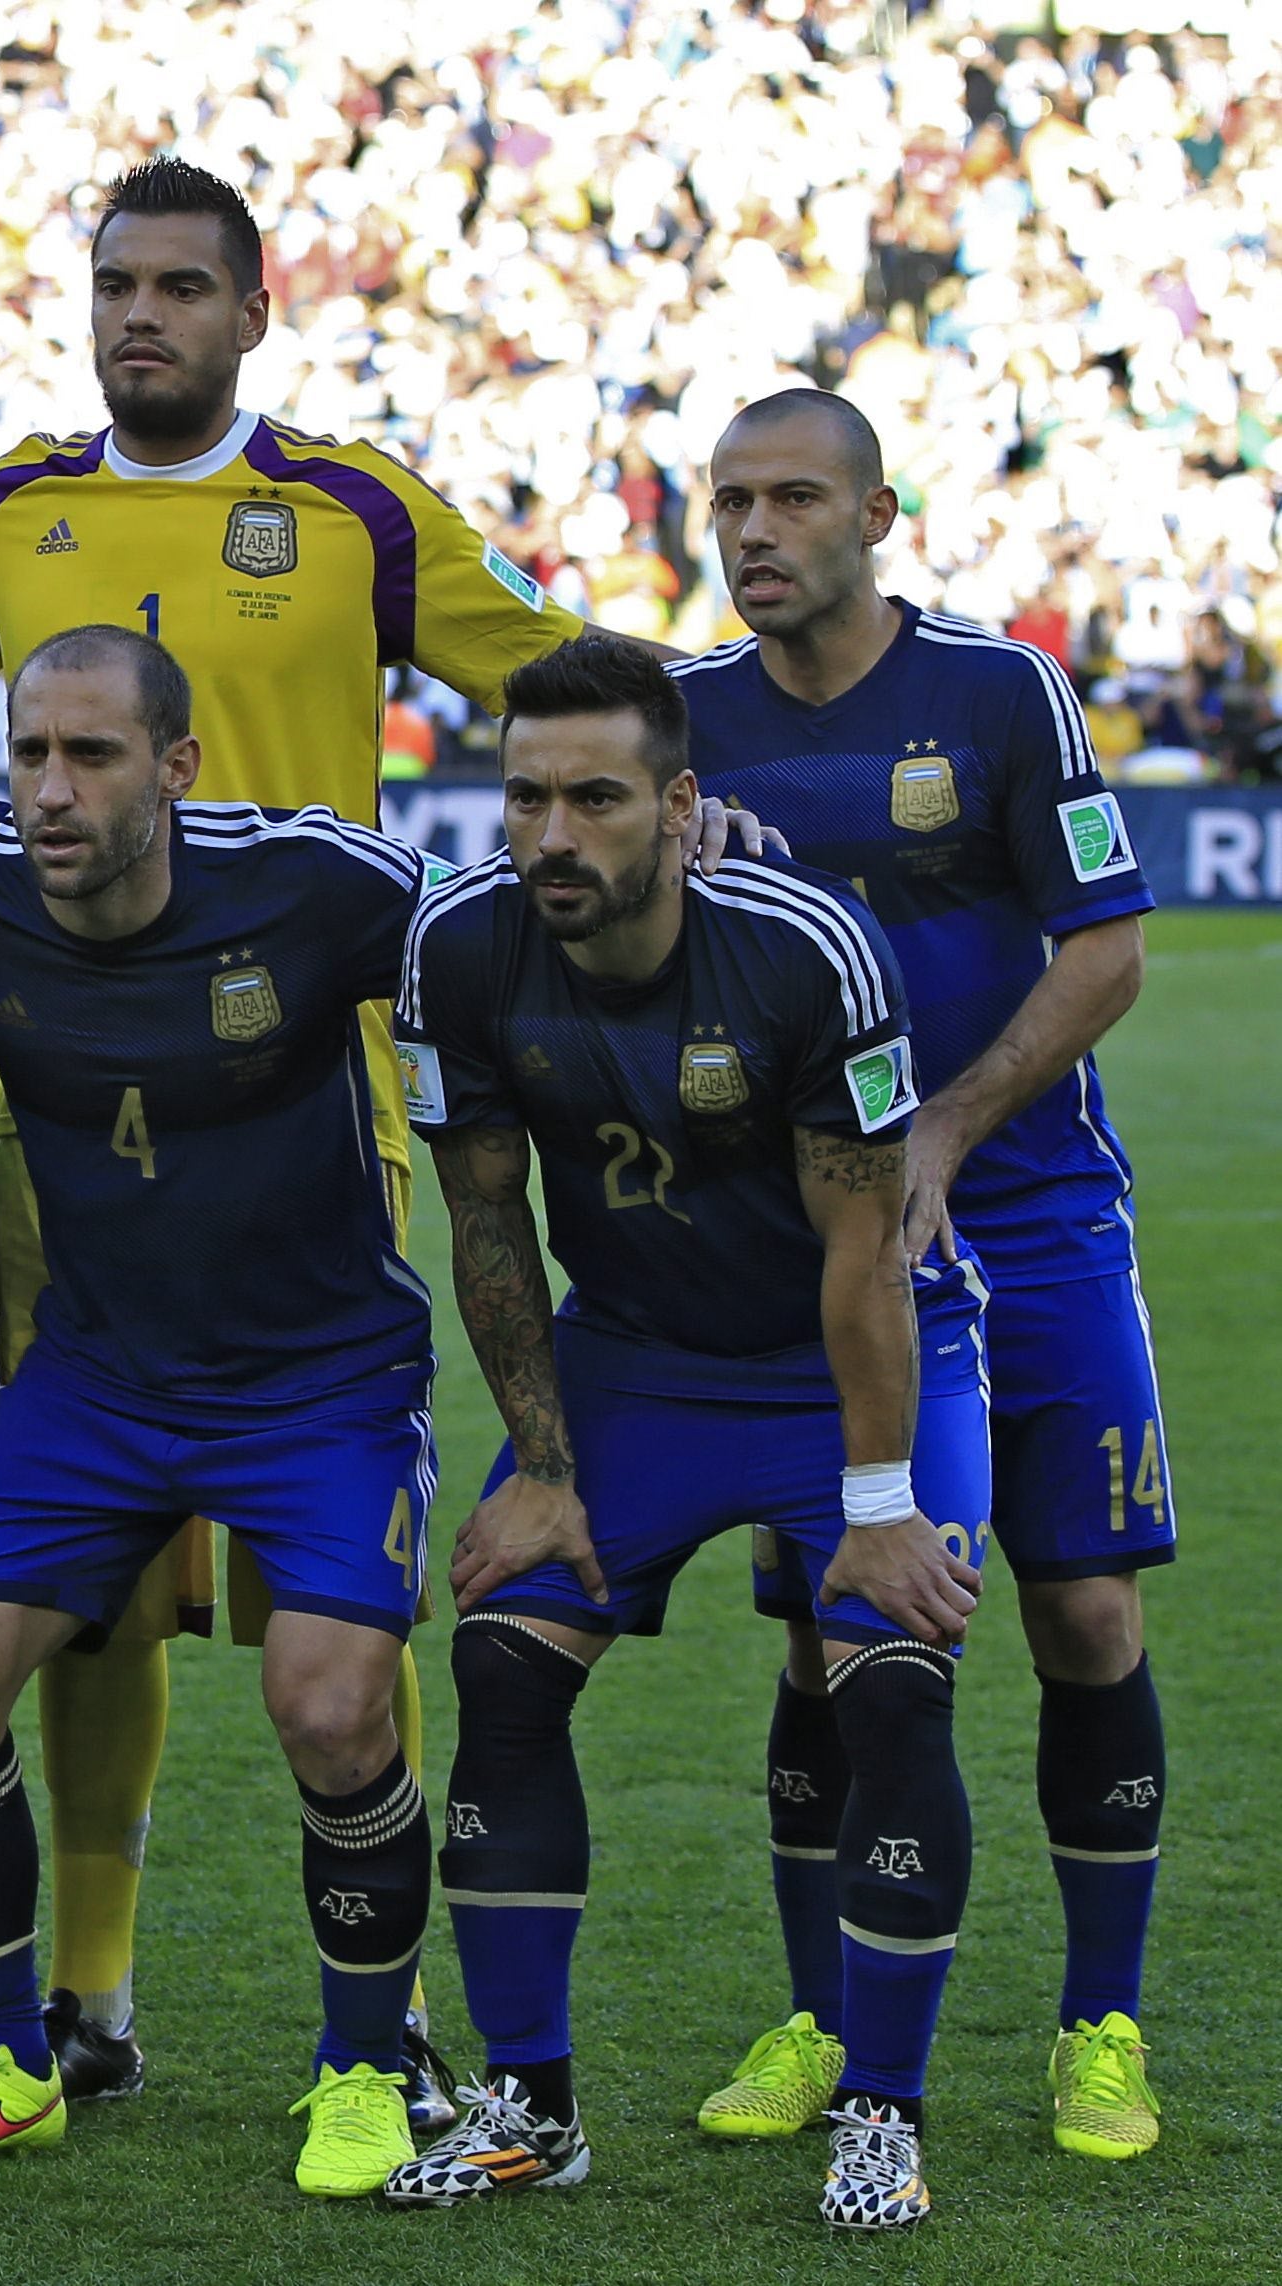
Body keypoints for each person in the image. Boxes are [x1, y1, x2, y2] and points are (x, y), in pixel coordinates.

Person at [0, 159, 612, 2116]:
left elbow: (566, 687)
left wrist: (715, 786)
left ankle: (382, 2017)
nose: (136, 314)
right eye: (109, 285)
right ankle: (82, 2000)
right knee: (91, 1566)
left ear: (251, 311)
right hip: (71, 1119)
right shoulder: (13, 506)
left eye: (177, 285)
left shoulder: (349, 510)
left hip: (308, 1095)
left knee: (332, 1590)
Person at [0, 624, 443, 2193]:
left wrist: (700, 833)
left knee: (332, 1706)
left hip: (318, 1377)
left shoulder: (316, 882)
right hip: (96, 1383)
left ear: (177, 769)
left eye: (90, 755)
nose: (48, 791)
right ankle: (9, 2061)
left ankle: (363, 2065)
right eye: (24, 756)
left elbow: (519, 908)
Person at [390, 635, 987, 2232]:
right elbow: (487, 1225)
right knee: (504, 1657)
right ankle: (531, 2104)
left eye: (593, 797)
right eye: (523, 797)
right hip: (636, 1361)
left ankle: (880, 2110)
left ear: (677, 802)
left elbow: (865, 1255)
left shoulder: (805, 948)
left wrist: (873, 1502)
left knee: (890, 1676)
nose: (551, 835)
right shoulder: (455, 943)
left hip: (847, 1359)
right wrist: (543, 1463)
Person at [672, 391, 1169, 2161]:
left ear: (879, 512)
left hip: (1028, 1223)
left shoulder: (998, 690)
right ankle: (821, 2019)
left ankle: (1098, 2024)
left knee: (1083, 1612)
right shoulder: (684, 725)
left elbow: (1104, 945)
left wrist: (944, 1134)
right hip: (830, 1260)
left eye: (791, 496)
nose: (751, 530)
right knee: (838, 1641)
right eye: (725, 499)